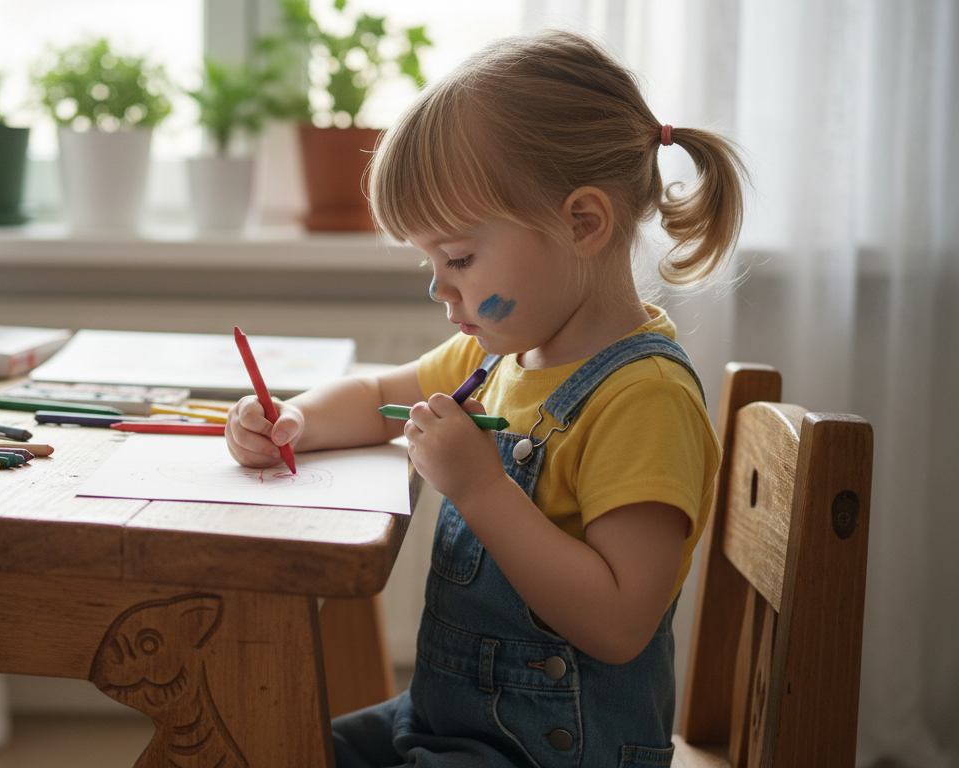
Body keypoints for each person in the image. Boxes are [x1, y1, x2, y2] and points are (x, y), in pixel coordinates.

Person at [225, 28, 744, 768]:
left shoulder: (646, 401)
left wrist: (480, 487)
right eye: (430, 260)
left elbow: (622, 621)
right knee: (261, 746)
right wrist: (294, 419)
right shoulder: (499, 352)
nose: (440, 287)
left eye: (460, 257)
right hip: (444, 720)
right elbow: (379, 395)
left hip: (552, 753)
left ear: (583, 223)